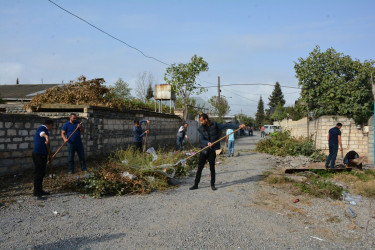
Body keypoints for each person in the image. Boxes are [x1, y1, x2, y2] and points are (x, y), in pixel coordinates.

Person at [190, 113, 245, 191]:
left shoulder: (215, 125)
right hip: (204, 150)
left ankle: (212, 184)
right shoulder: (201, 128)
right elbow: (202, 139)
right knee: (200, 168)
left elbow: (226, 125)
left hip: (212, 150)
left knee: (212, 167)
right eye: (200, 121)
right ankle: (195, 184)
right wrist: (207, 143)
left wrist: (238, 126)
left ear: (206, 119)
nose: (201, 122)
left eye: (202, 120)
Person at [32, 119, 54, 199]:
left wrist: (49, 154)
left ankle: (39, 190)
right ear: (50, 124)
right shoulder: (42, 128)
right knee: (38, 173)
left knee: (41, 173)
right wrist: (46, 136)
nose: (52, 128)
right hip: (38, 155)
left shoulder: (45, 129)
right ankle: (37, 192)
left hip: (43, 155)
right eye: (52, 126)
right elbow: (42, 134)